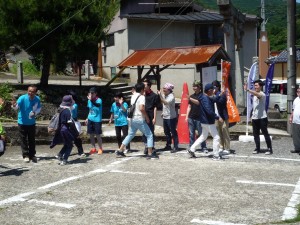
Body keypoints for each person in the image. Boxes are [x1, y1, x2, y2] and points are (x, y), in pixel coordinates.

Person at [115, 82, 157, 159]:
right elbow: (141, 108)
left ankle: (120, 150)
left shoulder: (133, 96)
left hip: (132, 119)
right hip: (139, 118)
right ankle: (150, 153)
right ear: (142, 89)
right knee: (149, 135)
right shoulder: (142, 97)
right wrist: (147, 117)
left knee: (130, 135)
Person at [187, 83, 221, 160]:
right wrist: (217, 117)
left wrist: (219, 95)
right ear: (209, 90)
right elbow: (208, 110)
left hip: (204, 121)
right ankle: (216, 155)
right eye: (213, 89)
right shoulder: (205, 98)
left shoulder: (204, 96)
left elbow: (213, 99)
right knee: (216, 137)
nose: (214, 90)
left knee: (203, 136)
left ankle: (191, 149)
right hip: (208, 121)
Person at [11, 85, 41, 163]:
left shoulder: (37, 99)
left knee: (32, 139)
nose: (30, 93)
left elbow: (39, 108)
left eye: (32, 91)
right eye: (29, 91)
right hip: (22, 122)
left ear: (35, 92)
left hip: (31, 122)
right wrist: (14, 105)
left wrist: (35, 113)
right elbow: (16, 107)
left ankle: (32, 155)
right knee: (23, 139)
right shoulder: (22, 98)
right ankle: (25, 155)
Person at [244, 79, 273, 155]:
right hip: (255, 118)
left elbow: (258, 95)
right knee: (255, 134)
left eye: (256, 85)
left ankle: (269, 148)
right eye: (254, 85)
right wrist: (251, 115)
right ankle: (257, 148)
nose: (255, 87)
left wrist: (248, 90)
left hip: (262, 118)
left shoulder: (262, 94)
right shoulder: (254, 95)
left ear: (260, 86)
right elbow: (254, 106)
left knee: (265, 133)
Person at [52, 95, 78, 165]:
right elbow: (69, 123)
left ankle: (60, 155)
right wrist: (75, 131)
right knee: (70, 145)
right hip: (65, 130)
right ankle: (64, 159)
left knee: (67, 143)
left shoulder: (61, 109)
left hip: (61, 129)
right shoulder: (67, 111)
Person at [185, 80, 207, 152]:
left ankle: (203, 147)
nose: (194, 88)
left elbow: (198, 103)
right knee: (191, 134)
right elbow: (189, 106)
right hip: (191, 117)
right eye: (193, 86)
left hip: (199, 118)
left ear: (199, 87)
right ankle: (191, 146)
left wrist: (189, 98)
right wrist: (186, 116)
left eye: (195, 86)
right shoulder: (191, 96)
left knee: (201, 133)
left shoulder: (202, 96)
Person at [158, 83, 179, 153]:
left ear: (169, 90)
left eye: (165, 88)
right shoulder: (164, 95)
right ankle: (168, 145)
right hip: (165, 116)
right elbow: (164, 106)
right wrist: (163, 112)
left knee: (173, 131)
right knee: (166, 132)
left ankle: (176, 146)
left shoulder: (171, 96)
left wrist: (160, 95)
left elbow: (165, 102)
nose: (163, 89)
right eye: (163, 88)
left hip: (171, 117)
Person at [212, 80, 231, 154]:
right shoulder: (213, 95)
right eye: (212, 87)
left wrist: (217, 96)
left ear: (218, 87)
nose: (213, 89)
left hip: (223, 116)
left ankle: (227, 148)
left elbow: (221, 102)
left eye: (214, 87)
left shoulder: (222, 94)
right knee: (219, 132)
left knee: (225, 132)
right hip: (216, 117)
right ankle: (221, 146)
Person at [67, 90, 86, 157]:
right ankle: (65, 152)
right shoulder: (66, 104)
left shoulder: (75, 105)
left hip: (74, 123)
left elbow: (72, 109)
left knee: (77, 138)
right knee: (68, 138)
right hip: (68, 123)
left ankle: (81, 151)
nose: (69, 97)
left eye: (70, 96)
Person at [143, 80, 159, 155]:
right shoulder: (142, 95)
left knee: (151, 131)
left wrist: (154, 118)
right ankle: (146, 146)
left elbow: (155, 107)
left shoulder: (154, 96)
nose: (144, 87)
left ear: (149, 86)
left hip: (150, 114)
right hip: (143, 115)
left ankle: (151, 147)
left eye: (145, 85)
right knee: (144, 132)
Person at [86, 87, 103, 155]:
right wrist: (87, 118)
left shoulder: (99, 100)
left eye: (92, 93)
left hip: (97, 120)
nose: (91, 94)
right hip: (90, 119)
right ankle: (93, 148)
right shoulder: (89, 101)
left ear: (96, 94)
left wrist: (91, 100)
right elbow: (90, 110)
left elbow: (97, 105)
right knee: (91, 134)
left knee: (98, 135)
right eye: (90, 93)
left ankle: (100, 148)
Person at [289, 87, 300, 154]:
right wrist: (291, 117)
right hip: (295, 120)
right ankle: (297, 148)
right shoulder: (296, 99)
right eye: (297, 91)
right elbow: (293, 110)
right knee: (295, 136)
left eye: (299, 91)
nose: (298, 93)